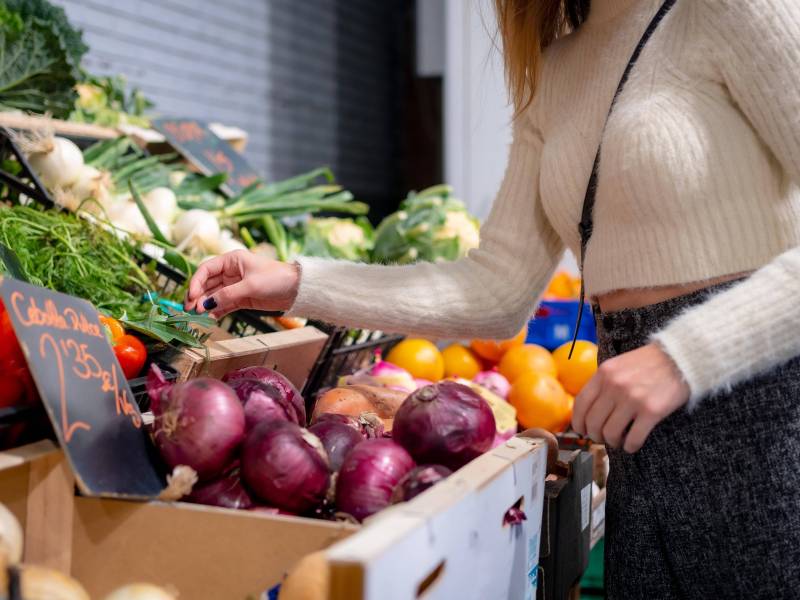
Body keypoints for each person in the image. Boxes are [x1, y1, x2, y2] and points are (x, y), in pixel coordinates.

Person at [186, 0, 800, 597]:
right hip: (638, 437)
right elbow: (495, 288)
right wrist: (297, 283)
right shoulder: (557, 68)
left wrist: (682, 357)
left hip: (762, 412)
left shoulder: (733, 9)